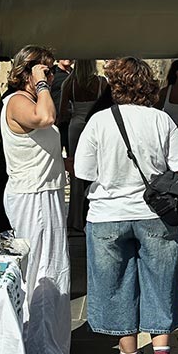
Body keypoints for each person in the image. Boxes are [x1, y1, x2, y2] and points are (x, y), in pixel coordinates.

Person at [74, 58, 178, 354]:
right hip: (155, 214)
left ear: (115, 85)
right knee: (161, 282)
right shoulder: (161, 119)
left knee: (115, 286)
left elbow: (83, 171)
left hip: (107, 215)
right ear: (148, 85)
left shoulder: (99, 121)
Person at [1, 46, 81, 354]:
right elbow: (46, 118)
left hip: (45, 192)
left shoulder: (32, 100)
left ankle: (44, 347)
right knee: (41, 270)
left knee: (52, 267)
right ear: (29, 71)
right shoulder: (18, 101)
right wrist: (42, 83)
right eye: (45, 70)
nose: (50, 75)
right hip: (32, 197)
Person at [59, 59, 107, 231]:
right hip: (97, 126)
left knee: (76, 171)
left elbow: (62, 113)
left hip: (76, 127)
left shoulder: (69, 83)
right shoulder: (101, 82)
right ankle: (92, 212)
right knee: (98, 169)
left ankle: (75, 218)